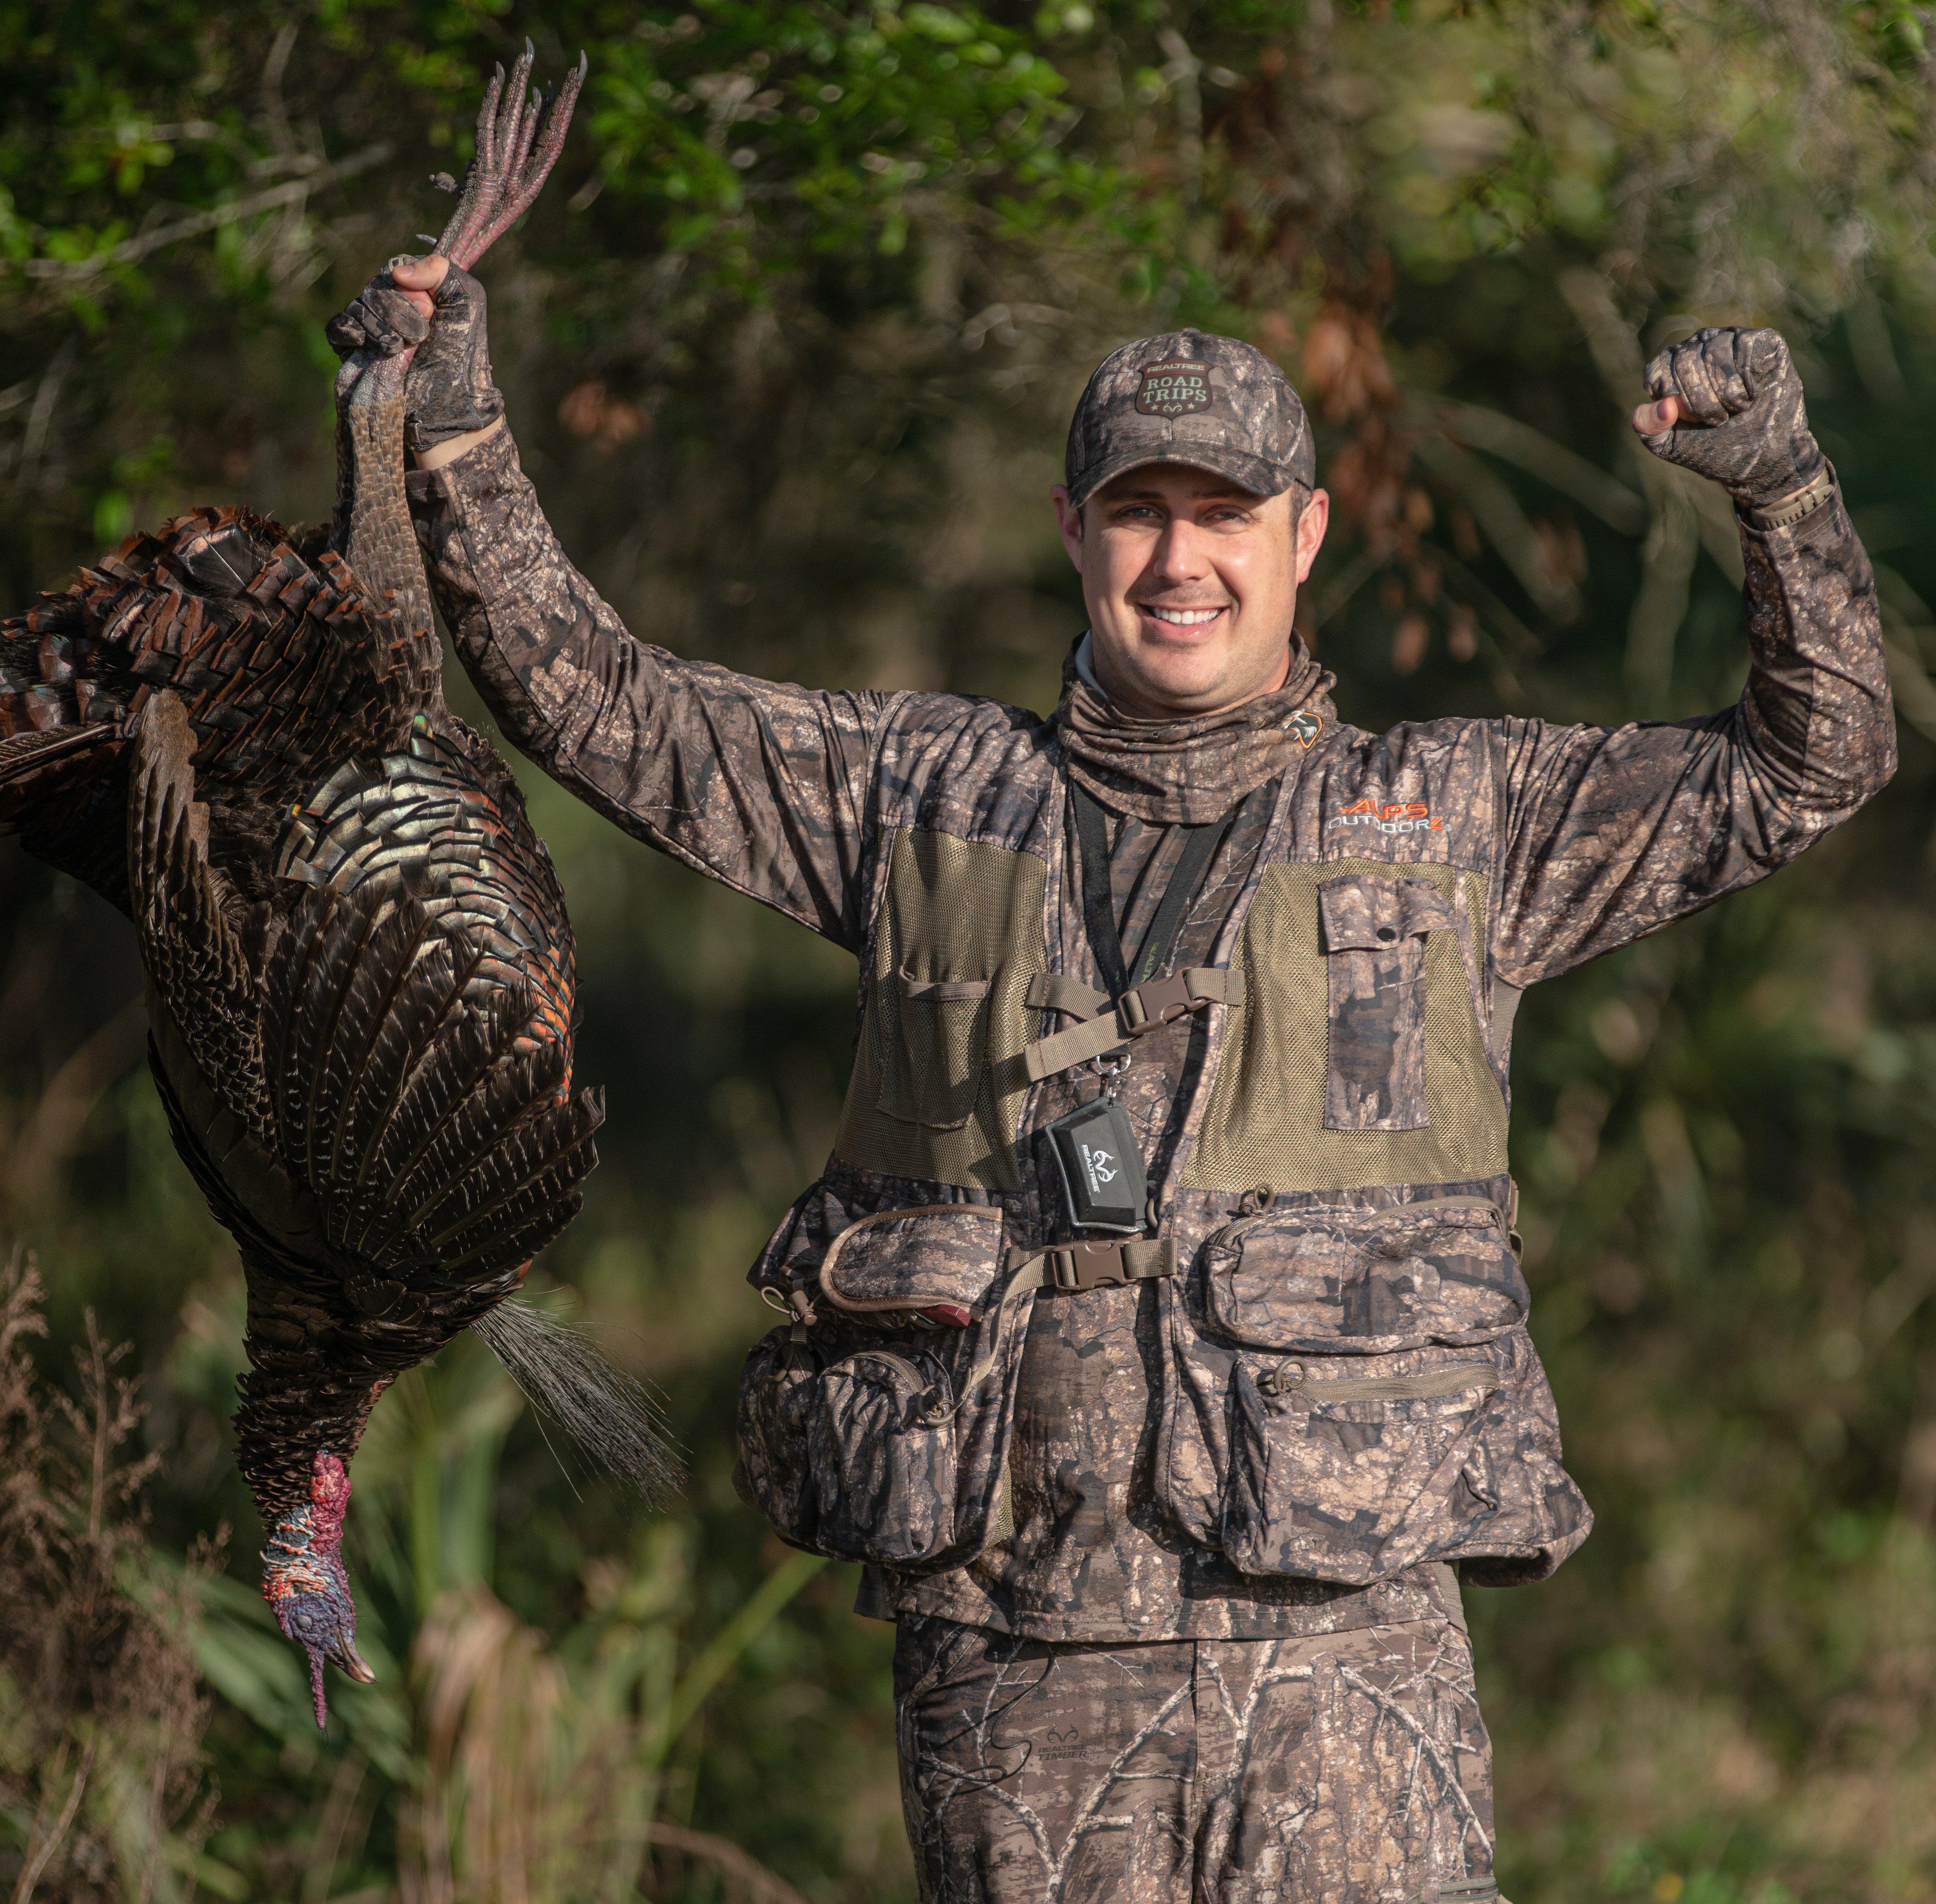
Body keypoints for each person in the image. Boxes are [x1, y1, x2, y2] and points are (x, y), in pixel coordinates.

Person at [329, 255, 1894, 1901]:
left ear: (1302, 538)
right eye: (1138, 511)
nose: (1180, 558)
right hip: (1017, 1671)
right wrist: (457, 431)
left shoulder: (1458, 822)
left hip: (1354, 1678)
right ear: (1073, 533)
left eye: (1224, 512)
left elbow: (1817, 755)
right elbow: (604, 706)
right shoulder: (919, 798)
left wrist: (1782, 486)